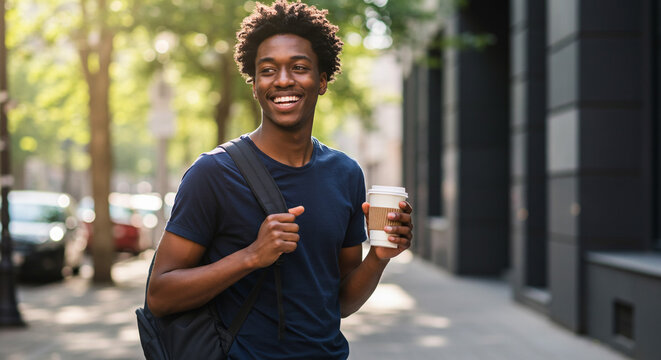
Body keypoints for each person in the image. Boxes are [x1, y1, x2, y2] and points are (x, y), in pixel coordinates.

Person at [146, 1, 414, 358]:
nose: (284, 80)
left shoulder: (346, 174)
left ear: (321, 81)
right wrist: (252, 256)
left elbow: (341, 302)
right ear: (255, 84)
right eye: (268, 70)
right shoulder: (213, 174)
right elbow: (160, 295)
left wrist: (379, 257)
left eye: (299, 68)